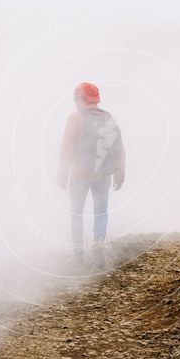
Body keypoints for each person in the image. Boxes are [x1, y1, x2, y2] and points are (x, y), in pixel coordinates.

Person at [57, 82, 126, 267]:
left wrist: (62, 173)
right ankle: (98, 243)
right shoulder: (108, 118)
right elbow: (119, 148)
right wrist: (121, 171)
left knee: (76, 213)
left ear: (80, 99)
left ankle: (78, 254)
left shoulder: (75, 118)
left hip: (80, 174)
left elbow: (67, 147)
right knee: (101, 211)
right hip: (103, 175)